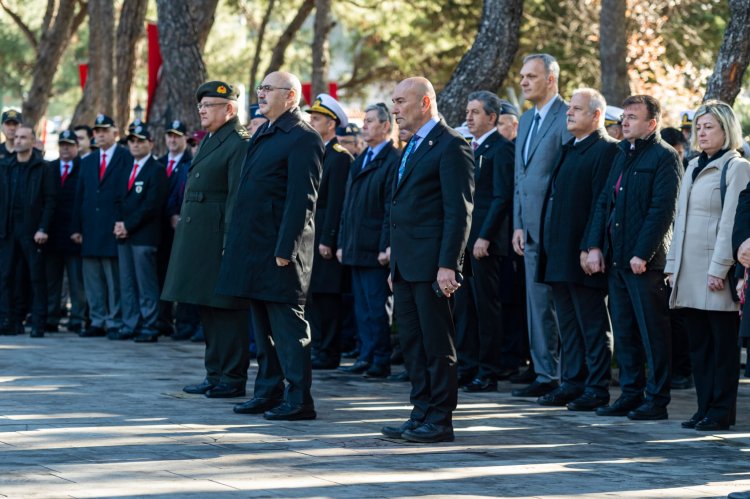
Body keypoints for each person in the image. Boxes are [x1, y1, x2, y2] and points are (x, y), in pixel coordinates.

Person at [216, 71, 323, 421]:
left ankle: (298, 400)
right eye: (260, 88)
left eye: (269, 89)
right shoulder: (266, 131)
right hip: (254, 249)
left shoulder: (302, 137)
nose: (261, 94)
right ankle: (267, 391)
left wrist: (285, 249)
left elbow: (301, 200)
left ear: (291, 97)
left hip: (280, 252)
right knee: (263, 330)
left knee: (289, 331)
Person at [380, 77, 473, 444]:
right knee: (413, 345)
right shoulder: (412, 146)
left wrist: (449, 264)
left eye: (401, 101)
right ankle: (419, 413)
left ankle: (439, 419)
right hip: (406, 266)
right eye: (393, 101)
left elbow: (458, 211)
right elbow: (403, 209)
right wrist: (394, 264)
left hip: (434, 265)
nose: (395, 109)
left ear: (425, 103)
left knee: (437, 345)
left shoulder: (451, 146)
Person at [586, 95, 682, 421]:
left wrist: (644, 252)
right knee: (625, 332)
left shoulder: (665, 157)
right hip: (617, 260)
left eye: (632, 117)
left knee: (652, 333)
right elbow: (604, 202)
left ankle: (657, 400)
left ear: (651, 123)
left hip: (646, 263)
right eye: (624, 116)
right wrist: (594, 246)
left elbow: (662, 211)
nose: (624, 122)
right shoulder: (621, 154)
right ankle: (630, 394)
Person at [162, 81, 252, 398]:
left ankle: (232, 377)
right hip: (201, 239)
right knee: (208, 309)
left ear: (229, 109)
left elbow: (236, 198)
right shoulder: (214, 139)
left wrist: (230, 241)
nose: (201, 110)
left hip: (217, 238)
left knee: (226, 310)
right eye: (200, 105)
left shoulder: (239, 142)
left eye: (208, 105)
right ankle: (215, 373)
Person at [666, 100, 749, 431]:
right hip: (689, 269)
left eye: (709, 127)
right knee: (698, 346)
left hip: (716, 270)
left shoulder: (737, 167)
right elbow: (681, 220)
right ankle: (704, 408)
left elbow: (732, 221)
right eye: (698, 127)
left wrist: (720, 268)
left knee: (722, 348)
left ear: (726, 130)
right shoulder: (692, 164)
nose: (701, 133)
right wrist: (673, 265)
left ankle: (720, 411)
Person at [538, 88, 617, 410]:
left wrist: (592, 246)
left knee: (592, 324)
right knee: (568, 325)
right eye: (569, 108)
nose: (569, 113)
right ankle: (571, 382)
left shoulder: (606, 151)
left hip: (585, 253)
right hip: (559, 250)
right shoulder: (569, 147)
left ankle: (596, 387)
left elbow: (602, 204)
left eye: (577, 109)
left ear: (596, 115)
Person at [511, 53, 572, 397]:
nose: (523, 82)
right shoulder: (526, 120)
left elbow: (564, 175)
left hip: (557, 228)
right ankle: (545, 373)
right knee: (536, 304)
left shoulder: (567, 116)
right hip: (529, 230)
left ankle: (568, 375)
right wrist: (518, 224)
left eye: (530, 76)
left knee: (562, 304)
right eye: (522, 76)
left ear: (551, 79)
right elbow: (521, 177)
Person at [336, 102, 399, 375]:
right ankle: (365, 355)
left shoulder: (393, 159)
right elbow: (347, 205)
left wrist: (386, 245)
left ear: (386, 126)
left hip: (375, 247)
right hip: (355, 244)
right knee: (361, 307)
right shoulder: (362, 159)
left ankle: (380, 359)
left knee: (376, 307)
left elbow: (389, 208)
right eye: (365, 121)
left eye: (371, 121)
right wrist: (341, 241)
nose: (365, 126)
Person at [460, 91, 515, 393]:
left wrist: (485, 236)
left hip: (485, 243)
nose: (469, 117)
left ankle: (488, 371)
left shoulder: (501, 148)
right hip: (465, 241)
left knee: (486, 308)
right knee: (465, 307)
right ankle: (467, 366)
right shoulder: (470, 146)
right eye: (468, 112)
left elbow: (501, 196)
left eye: (476, 112)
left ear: (492, 117)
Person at [304, 94, 353, 373]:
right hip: (309, 235)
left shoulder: (339, 157)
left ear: (332, 124)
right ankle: (318, 346)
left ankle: (329, 350)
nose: (312, 121)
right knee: (312, 296)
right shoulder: (314, 151)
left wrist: (329, 238)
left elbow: (336, 202)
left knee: (327, 297)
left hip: (324, 236)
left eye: (318, 118)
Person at [71, 114, 131, 338]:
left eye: (105, 130)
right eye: (97, 131)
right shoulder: (87, 161)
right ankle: (97, 319)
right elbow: (80, 196)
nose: (100, 135)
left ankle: (114, 320)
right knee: (93, 279)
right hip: (90, 228)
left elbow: (126, 194)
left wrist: (123, 221)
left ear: (114, 132)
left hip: (113, 227)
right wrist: (76, 227)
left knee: (114, 279)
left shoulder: (125, 158)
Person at [110, 123, 168, 343]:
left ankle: (150, 324)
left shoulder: (156, 170)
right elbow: (117, 199)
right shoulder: (126, 167)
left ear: (150, 143)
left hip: (144, 236)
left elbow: (151, 206)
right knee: (127, 282)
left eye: (140, 141)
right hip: (124, 234)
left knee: (145, 283)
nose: (135, 145)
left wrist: (128, 225)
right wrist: (118, 223)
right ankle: (130, 323)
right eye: (132, 141)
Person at [0, 125, 55, 337]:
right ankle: (9, 320)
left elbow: (51, 202)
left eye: (24, 137)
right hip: (8, 230)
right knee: (6, 276)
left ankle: (38, 322)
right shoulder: (6, 166)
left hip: (32, 231)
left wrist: (43, 228)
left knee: (35, 276)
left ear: (33, 142)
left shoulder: (43, 168)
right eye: (17, 137)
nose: (18, 140)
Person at [156, 119, 198, 341]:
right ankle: (162, 319)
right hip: (163, 230)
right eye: (169, 135)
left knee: (183, 277)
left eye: (177, 136)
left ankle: (184, 322)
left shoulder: (190, 162)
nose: (172, 140)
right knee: (162, 275)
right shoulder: (160, 163)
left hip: (186, 229)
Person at [45, 130, 87, 334]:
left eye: (69, 145)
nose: (65, 148)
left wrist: (78, 229)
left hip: (74, 235)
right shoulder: (50, 168)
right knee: (52, 280)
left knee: (76, 281)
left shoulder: (84, 167)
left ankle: (77, 318)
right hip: (52, 235)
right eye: (62, 144)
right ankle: (51, 316)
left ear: (76, 147)